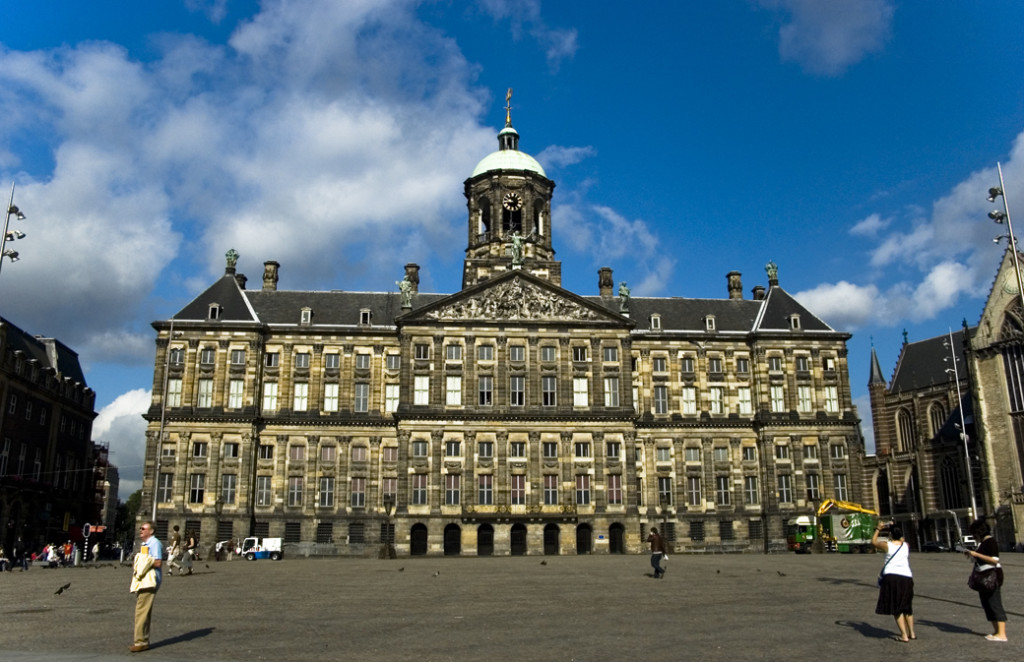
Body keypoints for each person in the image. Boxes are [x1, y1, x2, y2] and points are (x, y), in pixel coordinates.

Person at [872, 520, 916, 642]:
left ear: (890, 535)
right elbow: (900, 537)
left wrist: (878, 528)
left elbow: (874, 542)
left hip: (892, 578)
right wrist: (893, 526)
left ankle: (904, 636)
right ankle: (912, 633)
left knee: (897, 608)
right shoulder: (905, 545)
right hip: (907, 578)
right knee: (907, 607)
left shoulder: (887, 545)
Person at [965, 518, 1007, 642]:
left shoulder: (990, 541)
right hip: (984, 577)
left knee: (994, 603)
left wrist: (976, 554)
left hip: (992, 576)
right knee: (987, 604)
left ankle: (1002, 633)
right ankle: (996, 631)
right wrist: (972, 555)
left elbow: (994, 559)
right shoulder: (983, 543)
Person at [130, 521, 163, 653]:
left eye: (143, 528)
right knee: (144, 611)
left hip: (150, 581)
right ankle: (143, 640)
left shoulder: (154, 543)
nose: (140, 530)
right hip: (144, 581)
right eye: (140, 528)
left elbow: (158, 562)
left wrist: (141, 563)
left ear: (151, 531)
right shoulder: (146, 544)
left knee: (141, 611)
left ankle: (140, 642)